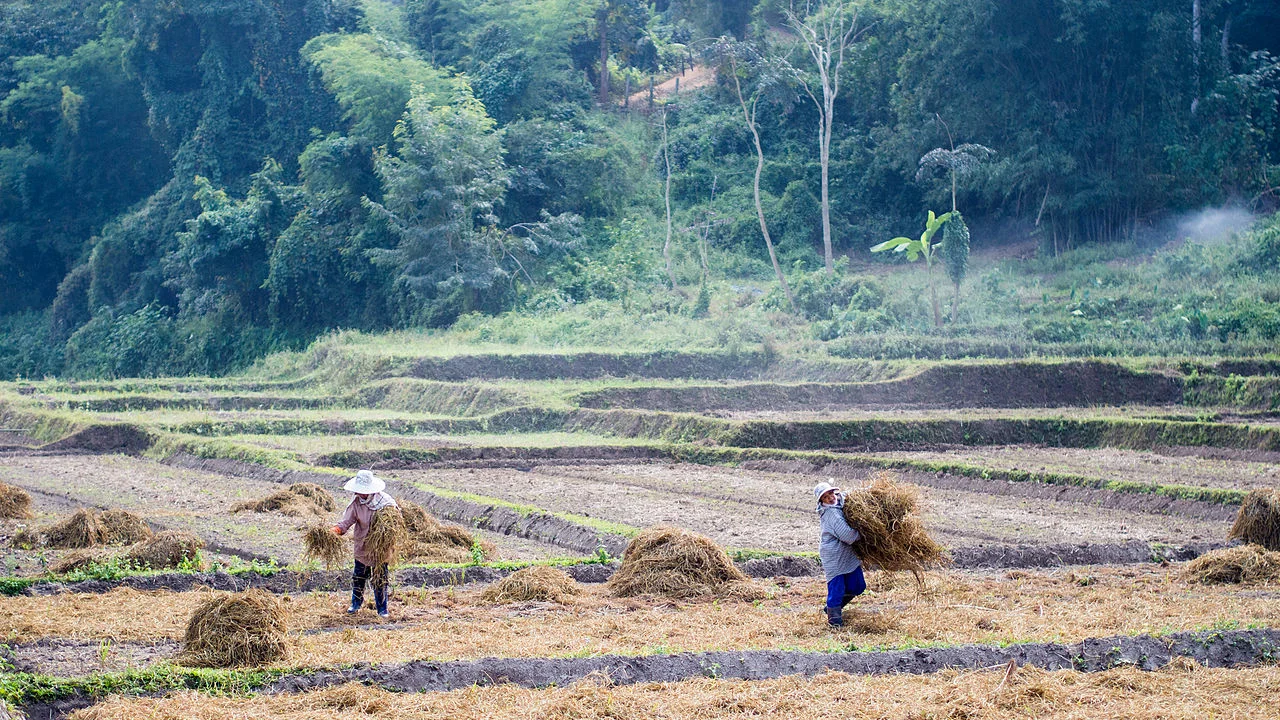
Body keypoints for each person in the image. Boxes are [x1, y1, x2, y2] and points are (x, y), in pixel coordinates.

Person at [332, 469, 398, 618]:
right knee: (359, 576)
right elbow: (346, 522)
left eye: (362, 491)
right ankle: (355, 604)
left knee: (380, 578)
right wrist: (335, 530)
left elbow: (395, 523)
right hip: (362, 547)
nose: (359, 494)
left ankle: (382, 609)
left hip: (381, 549)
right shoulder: (356, 504)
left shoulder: (386, 504)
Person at [814, 481, 865, 627]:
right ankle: (834, 621)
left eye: (830, 493)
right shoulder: (831, 514)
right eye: (825, 497)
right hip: (833, 556)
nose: (830, 498)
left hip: (847, 554)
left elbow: (854, 494)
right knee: (837, 589)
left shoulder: (840, 499)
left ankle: (831, 609)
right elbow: (848, 536)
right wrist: (866, 533)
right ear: (822, 501)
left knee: (858, 585)